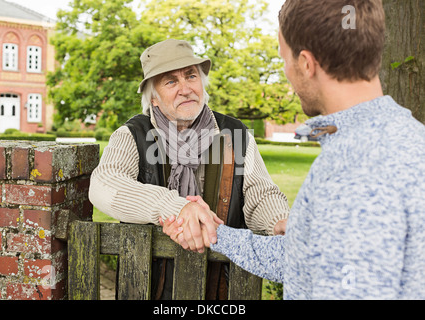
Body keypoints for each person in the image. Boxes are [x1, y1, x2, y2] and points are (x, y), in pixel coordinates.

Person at [162, 0, 425, 299]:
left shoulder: (354, 168)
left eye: (283, 58)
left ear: (306, 64)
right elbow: (302, 257)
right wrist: (216, 234)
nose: (286, 73)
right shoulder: (403, 137)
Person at [88, 39, 290, 299]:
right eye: (171, 81)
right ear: (153, 97)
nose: (185, 89)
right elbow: (105, 185)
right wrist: (176, 207)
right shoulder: (133, 134)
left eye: (191, 76)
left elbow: (259, 193)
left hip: (222, 288)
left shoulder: (235, 134)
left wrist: (278, 221)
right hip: (149, 287)